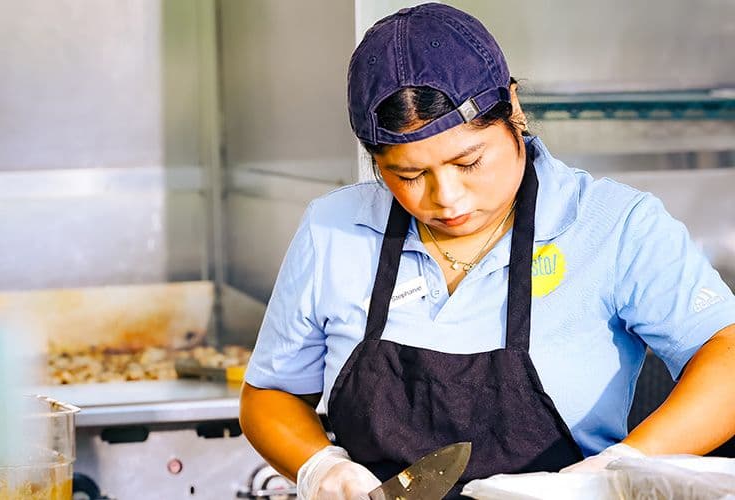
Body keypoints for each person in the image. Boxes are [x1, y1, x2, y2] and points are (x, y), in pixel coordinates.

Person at [239, 3, 735, 499]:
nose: (447, 198)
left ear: (513, 109)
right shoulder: (334, 228)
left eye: (469, 162)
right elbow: (270, 393)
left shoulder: (615, 225)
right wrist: (321, 468)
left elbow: (726, 356)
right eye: (409, 175)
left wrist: (617, 469)